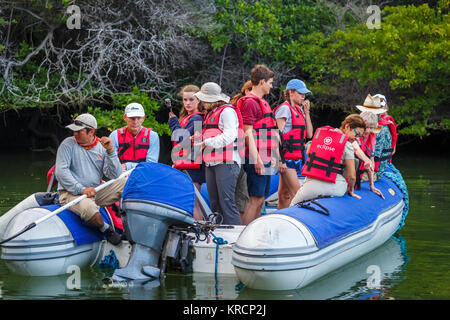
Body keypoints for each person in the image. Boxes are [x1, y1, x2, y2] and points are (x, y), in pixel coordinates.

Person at [55, 113, 125, 245]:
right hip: (70, 194)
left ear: (91, 131)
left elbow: (114, 175)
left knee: (126, 183)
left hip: (94, 192)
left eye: (78, 131)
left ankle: (128, 223)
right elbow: (61, 172)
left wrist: (111, 151)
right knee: (89, 208)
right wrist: (81, 189)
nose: (74, 134)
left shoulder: (102, 147)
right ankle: (106, 229)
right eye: (73, 131)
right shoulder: (67, 144)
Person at [290, 114, 367, 206]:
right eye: (357, 134)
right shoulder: (347, 145)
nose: (357, 139)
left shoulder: (323, 135)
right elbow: (352, 176)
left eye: (360, 137)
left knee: (292, 205)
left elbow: (308, 152)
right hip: (336, 188)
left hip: (311, 186)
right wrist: (351, 190)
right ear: (347, 126)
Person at [194, 82, 244, 225]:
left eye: (204, 98)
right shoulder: (211, 112)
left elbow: (230, 135)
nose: (202, 101)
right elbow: (213, 133)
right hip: (212, 162)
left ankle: (235, 238)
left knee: (227, 202)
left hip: (227, 162)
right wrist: (201, 139)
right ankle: (219, 237)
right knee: (215, 203)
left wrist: (207, 142)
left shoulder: (227, 111)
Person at [236, 64, 279, 225]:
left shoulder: (262, 102)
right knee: (254, 198)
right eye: (270, 82)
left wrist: (272, 155)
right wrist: (257, 160)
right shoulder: (250, 103)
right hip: (255, 157)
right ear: (262, 82)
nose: (271, 86)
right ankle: (242, 234)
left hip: (265, 155)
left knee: (261, 199)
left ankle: (251, 232)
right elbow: (248, 133)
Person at [273, 79, 314, 209]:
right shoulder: (285, 109)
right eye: (300, 93)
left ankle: (279, 218)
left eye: (304, 94)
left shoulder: (299, 110)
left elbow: (309, 134)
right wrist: (280, 160)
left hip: (295, 158)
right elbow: (276, 135)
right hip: (286, 159)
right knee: (298, 195)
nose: (303, 96)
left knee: (284, 194)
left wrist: (307, 113)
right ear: (291, 92)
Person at [169, 84, 205, 220]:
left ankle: (200, 230)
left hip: (193, 166)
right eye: (185, 100)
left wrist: (173, 122)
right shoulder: (187, 117)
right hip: (186, 163)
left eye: (191, 100)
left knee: (194, 202)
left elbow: (180, 138)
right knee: (191, 201)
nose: (188, 103)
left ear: (198, 100)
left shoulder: (196, 118)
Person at [109, 102, 160, 170]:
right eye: (132, 118)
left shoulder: (152, 136)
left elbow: (151, 165)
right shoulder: (115, 135)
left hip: (144, 175)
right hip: (121, 174)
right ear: (125, 117)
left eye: (139, 118)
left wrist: (127, 166)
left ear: (143, 118)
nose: (135, 122)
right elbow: (112, 164)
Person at [230, 80, 252, 215]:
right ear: (245, 90)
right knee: (241, 193)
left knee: (244, 192)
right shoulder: (243, 103)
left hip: (244, 152)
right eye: (249, 90)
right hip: (241, 154)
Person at [353, 111, 384, 198]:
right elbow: (356, 149)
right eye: (365, 127)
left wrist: (372, 185)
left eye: (370, 128)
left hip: (358, 173)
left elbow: (371, 159)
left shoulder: (372, 137)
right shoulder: (353, 134)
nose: (367, 130)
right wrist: (366, 160)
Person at [373, 94, 397, 176]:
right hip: (384, 161)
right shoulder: (387, 122)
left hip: (377, 168)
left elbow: (376, 152)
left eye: (380, 107)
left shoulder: (381, 127)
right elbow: (393, 150)